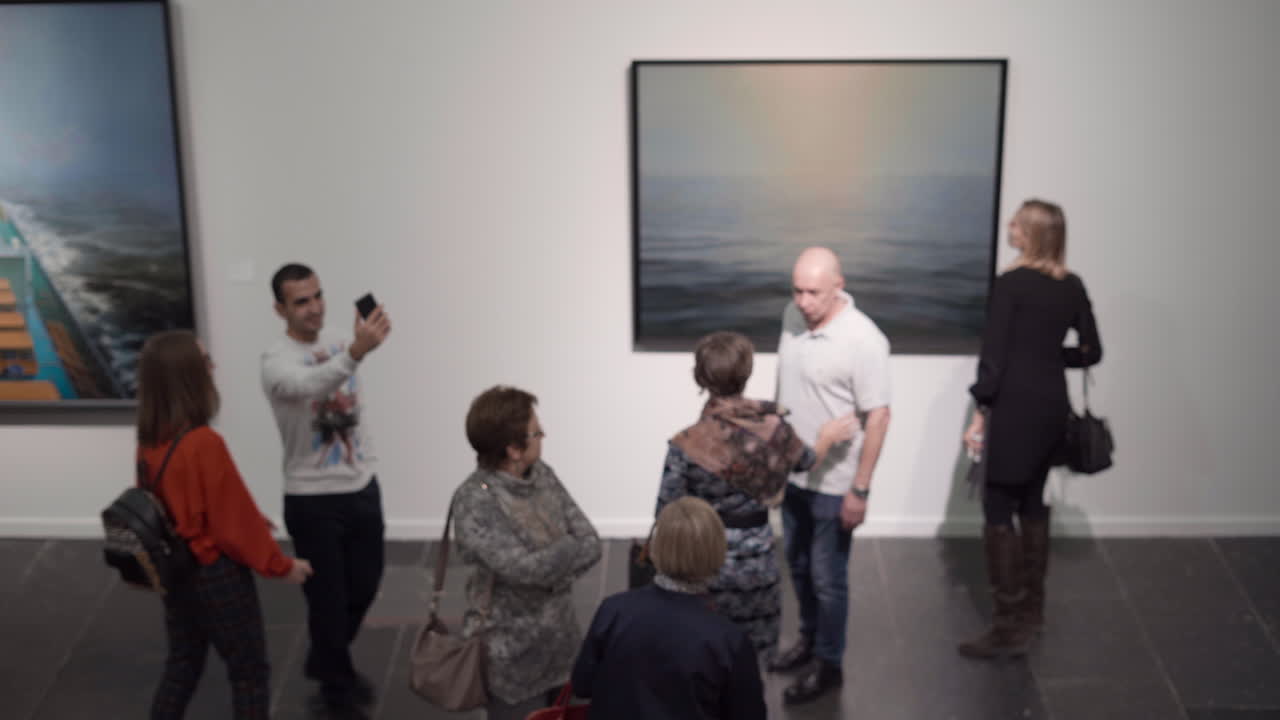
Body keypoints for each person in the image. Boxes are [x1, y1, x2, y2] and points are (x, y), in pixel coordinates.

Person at [138, 330, 312, 719]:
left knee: (182, 664)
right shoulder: (203, 443)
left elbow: (187, 507)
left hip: (176, 574)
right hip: (215, 577)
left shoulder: (150, 441)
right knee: (249, 674)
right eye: (205, 362)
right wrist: (281, 566)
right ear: (188, 376)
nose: (213, 368)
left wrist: (249, 519)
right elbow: (231, 526)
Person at [656, 330, 857, 661]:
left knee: (703, 657)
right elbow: (807, 461)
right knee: (750, 660)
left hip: (703, 564)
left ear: (700, 377)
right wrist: (826, 437)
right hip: (757, 564)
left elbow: (666, 516)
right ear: (746, 373)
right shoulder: (775, 428)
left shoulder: (686, 445)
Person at [958, 199, 1102, 659]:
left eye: (1017, 223)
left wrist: (980, 409)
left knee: (998, 508)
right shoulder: (1072, 285)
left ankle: (1006, 626)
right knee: (1033, 503)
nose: (1010, 227)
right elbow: (1091, 351)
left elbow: (993, 359)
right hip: (1051, 405)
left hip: (1015, 408)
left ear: (1032, 234)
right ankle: (1032, 613)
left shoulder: (1011, 285)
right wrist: (1047, 357)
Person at [260, 263, 391, 718]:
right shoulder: (275, 362)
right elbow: (309, 384)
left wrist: (358, 346)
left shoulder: (340, 338)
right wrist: (356, 352)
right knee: (327, 602)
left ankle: (325, 657)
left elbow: (347, 386)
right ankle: (336, 685)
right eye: (301, 301)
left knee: (367, 583)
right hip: (311, 498)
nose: (314, 308)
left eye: (317, 296)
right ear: (280, 309)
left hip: (360, 486)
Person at [771, 246, 892, 705]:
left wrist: (860, 489)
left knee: (827, 577)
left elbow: (879, 417)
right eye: (797, 290)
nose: (803, 302)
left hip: (835, 484)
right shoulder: (791, 316)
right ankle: (807, 640)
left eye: (813, 293)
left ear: (838, 286)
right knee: (798, 568)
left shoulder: (865, 341)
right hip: (794, 473)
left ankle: (828, 664)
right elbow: (785, 387)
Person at [452, 386, 602, 720]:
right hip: (512, 663)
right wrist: (565, 546)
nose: (543, 436)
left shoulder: (542, 475)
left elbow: (591, 542)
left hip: (562, 650)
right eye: (536, 432)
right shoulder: (475, 501)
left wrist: (552, 563)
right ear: (513, 449)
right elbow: (528, 570)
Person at [572, 496, 767, 720]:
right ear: (718, 551)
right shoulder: (729, 641)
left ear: (655, 546)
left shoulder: (613, 610)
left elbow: (582, 686)